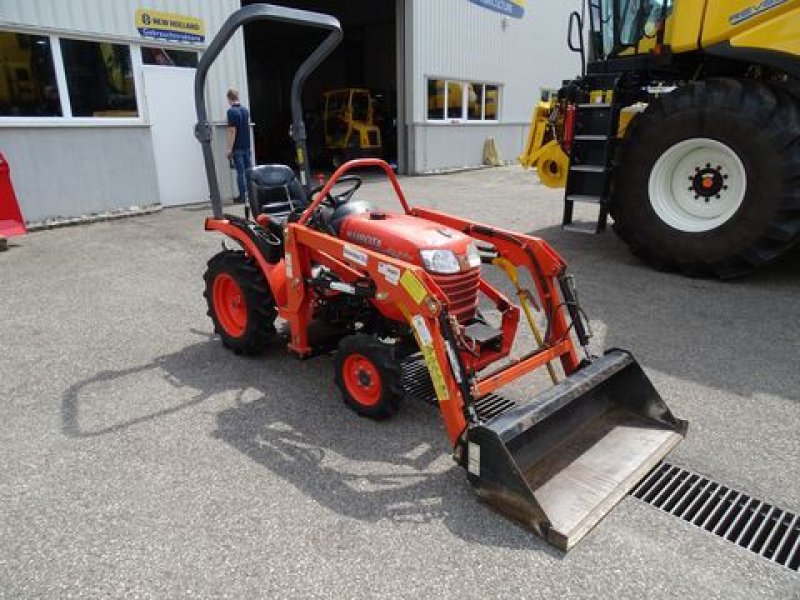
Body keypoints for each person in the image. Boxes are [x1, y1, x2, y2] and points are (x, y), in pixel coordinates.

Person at [225, 88, 251, 204]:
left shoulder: (231, 112)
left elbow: (232, 131)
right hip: (247, 146)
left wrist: (229, 148)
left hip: (238, 147)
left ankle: (242, 197)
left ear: (229, 99)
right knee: (249, 172)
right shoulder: (245, 110)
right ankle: (251, 194)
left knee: (240, 173)